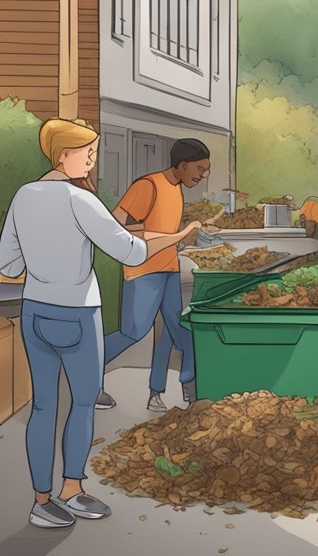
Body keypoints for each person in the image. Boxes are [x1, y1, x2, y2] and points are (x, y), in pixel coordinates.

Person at [1, 118, 200, 529]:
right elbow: (130, 252)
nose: (92, 163)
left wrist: (46, 270)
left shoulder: (24, 195)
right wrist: (177, 236)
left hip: (36, 311)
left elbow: (7, 263)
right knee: (83, 402)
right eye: (88, 154)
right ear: (63, 155)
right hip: (77, 313)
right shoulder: (80, 200)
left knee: (42, 405)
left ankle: (40, 501)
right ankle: (71, 491)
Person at [96, 138, 213, 412]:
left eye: (206, 169)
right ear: (182, 165)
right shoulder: (147, 186)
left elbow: (162, 233)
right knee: (132, 333)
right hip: (143, 272)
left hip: (169, 269)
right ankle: (87, 374)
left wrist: (185, 240)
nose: (202, 175)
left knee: (174, 332)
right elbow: (119, 227)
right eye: (199, 168)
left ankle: (163, 392)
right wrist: (181, 234)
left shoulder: (176, 189)